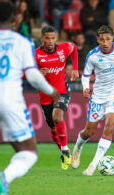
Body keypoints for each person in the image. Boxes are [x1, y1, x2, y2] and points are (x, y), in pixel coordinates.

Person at [0, 1, 60, 195]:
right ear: (14, 19)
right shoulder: (22, 41)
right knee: (28, 152)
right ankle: (5, 177)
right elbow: (32, 75)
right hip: (10, 100)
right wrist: (51, 91)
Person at [71, 25, 114, 176]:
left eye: (108, 39)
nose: (105, 42)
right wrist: (85, 88)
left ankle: (93, 165)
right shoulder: (92, 55)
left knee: (110, 125)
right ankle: (77, 148)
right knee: (89, 131)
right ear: (97, 39)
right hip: (99, 97)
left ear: (112, 38)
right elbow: (86, 74)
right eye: (101, 39)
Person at [35, 25, 79, 170]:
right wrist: (36, 73)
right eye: (47, 38)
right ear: (42, 39)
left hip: (61, 91)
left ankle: (66, 149)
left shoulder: (64, 48)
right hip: (45, 96)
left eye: (53, 38)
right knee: (53, 130)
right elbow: (24, 73)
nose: (50, 41)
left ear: (56, 39)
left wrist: (75, 68)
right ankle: (63, 152)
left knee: (58, 117)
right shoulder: (35, 54)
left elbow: (74, 48)